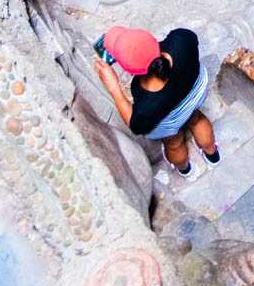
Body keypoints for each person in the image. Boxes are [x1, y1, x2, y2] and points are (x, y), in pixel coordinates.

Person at [94, 24, 220, 175]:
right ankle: (212, 155)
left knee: (174, 142)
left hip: (170, 119)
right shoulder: (180, 40)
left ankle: (186, 170)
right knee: (197, 119)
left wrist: (114, 88)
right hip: (195, 94)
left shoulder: (147, 105)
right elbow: (190, 40)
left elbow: (136, 125)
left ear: (130, 70)